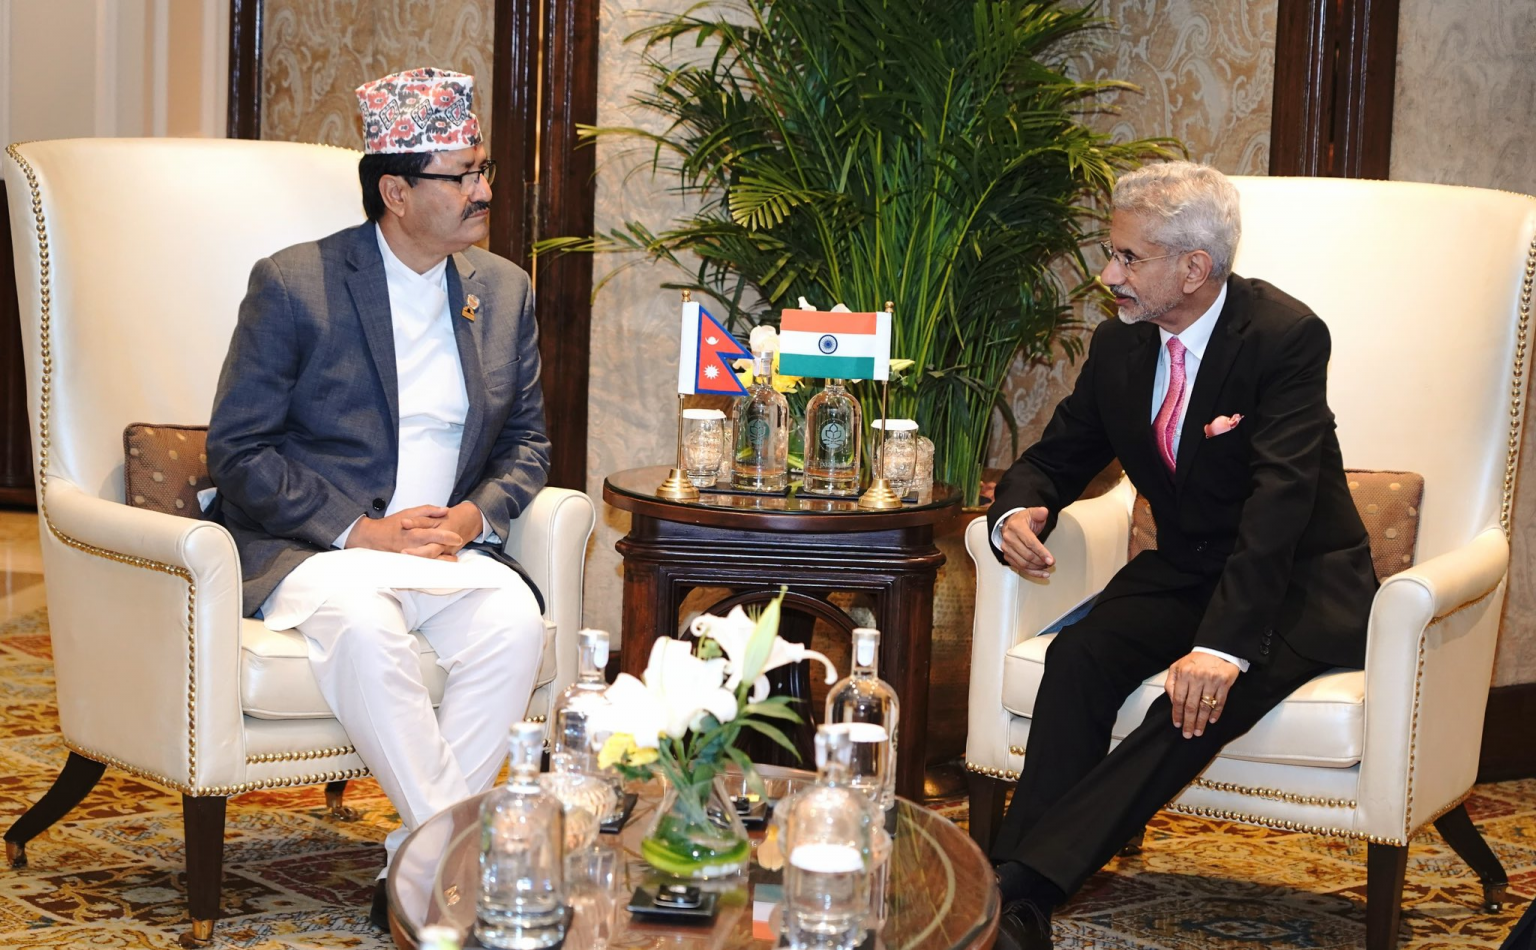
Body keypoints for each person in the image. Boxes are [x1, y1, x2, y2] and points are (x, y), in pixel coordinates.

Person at [985, 161, 1378, 949]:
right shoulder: (1121, 344)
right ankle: (1017, 899)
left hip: (1297, 583)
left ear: (1195, 268)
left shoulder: (1284, 338)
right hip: (1188, 567)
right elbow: (1058, 455)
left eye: (1128, 257)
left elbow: (1280, 502)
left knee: (1190, 707)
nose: (1109, 275)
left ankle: (1015, 891)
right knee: (1079, 657)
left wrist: (1222, 647)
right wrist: (1016, 509)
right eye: (1113, 253)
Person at [205, 67, 550, 930]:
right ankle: (457, 862)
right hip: (324, 550)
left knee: (515, 624)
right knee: (365, 627)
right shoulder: (296, 283)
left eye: (482, 170)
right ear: (396, 192)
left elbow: (528, 445)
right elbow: (237, 451)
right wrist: (359, 530)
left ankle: (416, 863)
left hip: (448, 549)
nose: (483, 190)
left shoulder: (503, 289)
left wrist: (473, 516)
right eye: (461, 175)